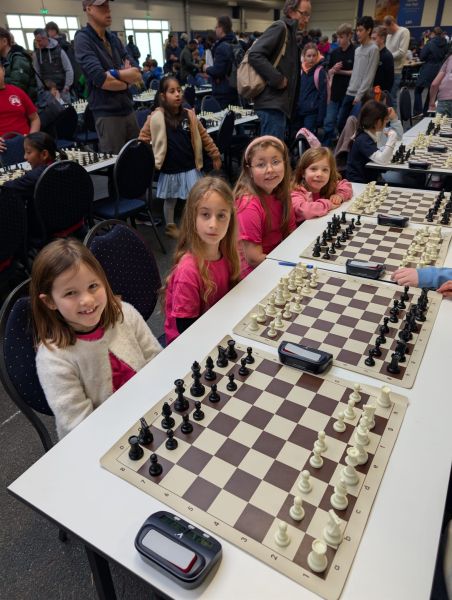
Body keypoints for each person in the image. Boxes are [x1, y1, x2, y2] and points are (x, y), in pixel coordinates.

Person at [31, 238, 161, 439]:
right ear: (50, 301)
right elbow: (78, 424)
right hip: (104, 438)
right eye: (71, 293)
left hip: (149, 412)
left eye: (93, 286)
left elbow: (157, 360)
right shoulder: (53, 358)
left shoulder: (124, 313)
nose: (87, 300)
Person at [138, 75, 221, 239]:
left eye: (179, 90)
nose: (177, 94)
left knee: (196, 198)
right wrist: (149, 157)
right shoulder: (156, 117)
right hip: (170, 168)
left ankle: (195, 225)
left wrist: (215, 154)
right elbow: (142, 139)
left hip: (190, 166)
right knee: (171, 200)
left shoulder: (189, 115)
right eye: (172, 91)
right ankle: (170, 226)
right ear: (163, 96)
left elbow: (204, 136)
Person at [164, 176, 241, 344]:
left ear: (230, 220)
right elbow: (187, 331)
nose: (213, 224)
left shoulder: (228, 255)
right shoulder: (188, 271)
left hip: (218, 329)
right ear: (193, 218)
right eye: (205, 214)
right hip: (189, 345)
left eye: (221, 216)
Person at [74, 0, 142, 154]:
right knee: (116, 164)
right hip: (107, 114)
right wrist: (126, 81)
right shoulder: (83, 39)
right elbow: (101, 79)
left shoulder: (113, 39)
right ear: (89, 9)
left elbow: (136, 73)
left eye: (108, 6)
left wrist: (114, 74)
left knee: (137, 159)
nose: (108, 10)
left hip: (128, 109)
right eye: (102, 6)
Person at [246, 0, 311, 139]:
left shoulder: (290, 33)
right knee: (271, 150)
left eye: (308, 15)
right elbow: (255, 54)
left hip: (278, 105)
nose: (307, 19)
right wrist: (278, 79)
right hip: (272, 104)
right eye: (304, 14)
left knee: (274, 148)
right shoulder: (280, 28)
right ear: (291, 11)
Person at [234, 136, 296, 276]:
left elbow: (291, 234)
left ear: (285, 163)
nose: (270, 169)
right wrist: (292, 264)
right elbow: (254, 259)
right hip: (253, 274)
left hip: (274, 260)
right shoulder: (248, 205)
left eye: (276, 162)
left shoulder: (282, 194)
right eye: (261, 165)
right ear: (249, 171)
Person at [337, 16, 379, 133]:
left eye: (361, 30)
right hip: (349, 92)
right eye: (357, 30)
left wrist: (359, 95)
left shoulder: (373, 49)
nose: (358, 33)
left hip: (361, 95)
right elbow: (355, 72)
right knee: (340, 124)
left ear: (369, 30)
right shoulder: (357, 50)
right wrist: (349, 88)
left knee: (355, 127)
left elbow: (369, 75)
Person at [291, 147, 352, 225]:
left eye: (325, 170)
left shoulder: (330, 185)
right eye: (313, 169)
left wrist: (340, 195)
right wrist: (329, 204)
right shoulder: (296, 191)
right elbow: (305, 211)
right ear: (303, 173)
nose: (319, 174)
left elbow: (346, 185)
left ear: (330, 173)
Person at [346, 99, 397, 183]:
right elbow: (383, 160)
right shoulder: (363, 139)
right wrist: (392, 137)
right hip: (359, 184)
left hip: (369, 179)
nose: (386, 123)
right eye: (385, 119)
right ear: (378, 122)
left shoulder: (368, 133)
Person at [322, 23, 355, 147]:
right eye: (337, 37)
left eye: (341, 37)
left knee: (341, 121)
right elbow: (329, 72)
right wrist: (333, 69)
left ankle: (341, 146)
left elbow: (356, 72)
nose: (338, 40)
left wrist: (340, 71)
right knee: (329, 121)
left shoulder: (355, 52)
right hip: (335, 92)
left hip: (348, 93)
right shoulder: (334, 52)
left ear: (349, 36)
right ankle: (326, 146)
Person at [1, 132, 55, 204]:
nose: (25, 157)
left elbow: (6, 188)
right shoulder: (62, 165)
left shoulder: (33, 177)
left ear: (44, 154)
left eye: (29, 152)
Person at [0, 63, 40, 149]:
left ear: (3, 70)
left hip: (26, 145)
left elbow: (35, 118)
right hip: (3, 149)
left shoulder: (16, 91)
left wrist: (31, 139)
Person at [203, 16, 238, 108]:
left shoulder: (221, 47)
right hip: (235, 88)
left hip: (223, 91)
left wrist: (207, 68)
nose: (215, 29)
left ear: (221, 28)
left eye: (216, 27)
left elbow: (218, 71)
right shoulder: (236, 43)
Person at [294, 42, 327, 136]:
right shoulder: (300, 71)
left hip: (312, 113)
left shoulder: (320, 71)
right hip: (298, 111)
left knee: (308, 138)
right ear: (304, 57)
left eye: (314, 55)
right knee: (297, 137)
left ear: (317, 56)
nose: (311, 58)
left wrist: (320, 117)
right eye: (309, 56)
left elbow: (323, 96)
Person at [33, 28, 73, 104]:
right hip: (47, 93)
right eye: (36, 41)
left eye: (39, 41)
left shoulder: (59, 51)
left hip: (63, 91)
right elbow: (37, 73)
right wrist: (41, 89)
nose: (37, 43)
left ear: (45, 38)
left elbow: (68, 69)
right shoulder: (36, 54)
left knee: (67, 110)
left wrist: (67, 86)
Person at [414, 27, 448, 116]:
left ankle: (418, 112)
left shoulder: (430, 43)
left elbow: (422, 57)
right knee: (432, 92)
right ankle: (427, 112)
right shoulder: (445, 44)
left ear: (433, 33)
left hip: (428, 69)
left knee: (418, 90)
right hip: (440, 70)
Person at [0, 28, 37, 102]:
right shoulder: (3, 60)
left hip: (22, 104)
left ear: (4, 41)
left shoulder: (18, 59)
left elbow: (17, 88)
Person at [384, 16, 410, 106]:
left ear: (392, 24)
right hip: (386, 70)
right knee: (385, 98)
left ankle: (394, 115)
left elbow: (401, 52)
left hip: (396, 71)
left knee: (391, 98)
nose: (386, 31)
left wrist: (386, 57)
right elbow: (386, 51)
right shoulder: (389, 35)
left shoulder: (404, 32)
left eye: (387, 28)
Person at [372, 26, 394, 94]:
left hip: (381, 92)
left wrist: (383, 94)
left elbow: (389, 80)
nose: (372, 41)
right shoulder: (373, 53)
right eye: (371, 38)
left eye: (374, 39)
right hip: (371, 90)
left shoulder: (387, 56)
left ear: (382, 39)